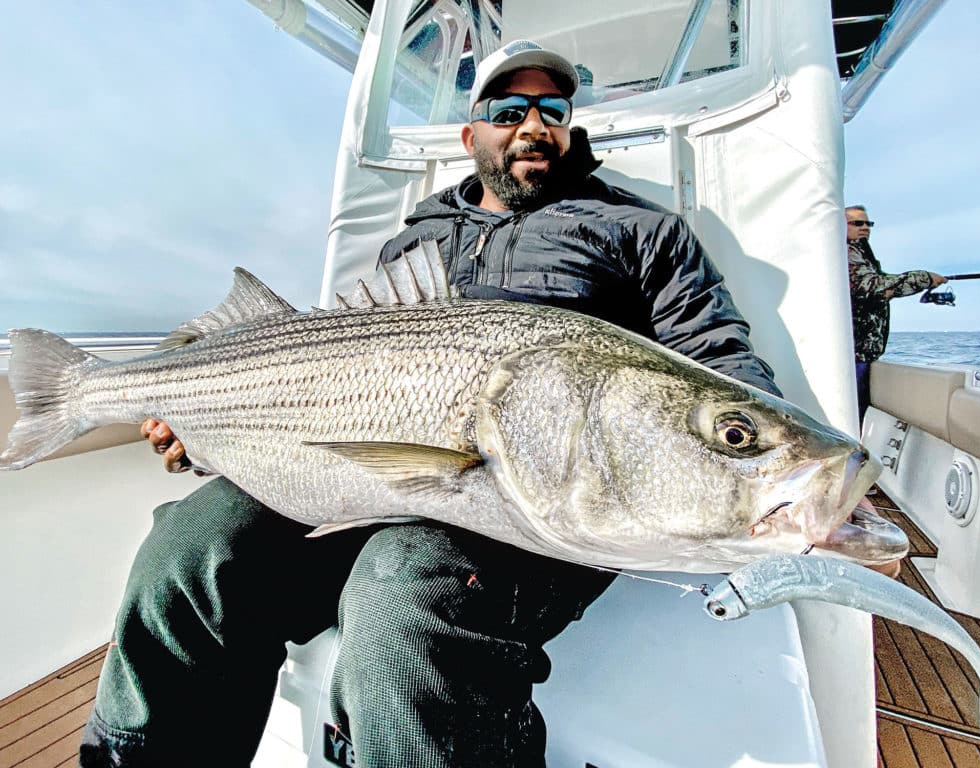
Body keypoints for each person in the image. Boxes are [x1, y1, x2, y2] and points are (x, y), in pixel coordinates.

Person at [80, 40, 781, 767]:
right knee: (190, 550)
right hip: (375, 482)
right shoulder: (412, 241)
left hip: (534, 498)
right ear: (471, 134)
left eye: (553, 110)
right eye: (509, 110)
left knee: (400, 599)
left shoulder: (642, 231)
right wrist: (215, 433)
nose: (533, 126)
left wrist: (786, 490)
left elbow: (725, 371)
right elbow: (337, 389)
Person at [846, 205, 947, 424]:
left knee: (859, 415)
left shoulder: (862, 252)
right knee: (851, 417)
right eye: (857, 223)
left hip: (864, 355)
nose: (865, 228)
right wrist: (923, 278)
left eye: (868, 223)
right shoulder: (845, 252)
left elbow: (882, 286)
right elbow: (872, 286)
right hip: (853, 356)